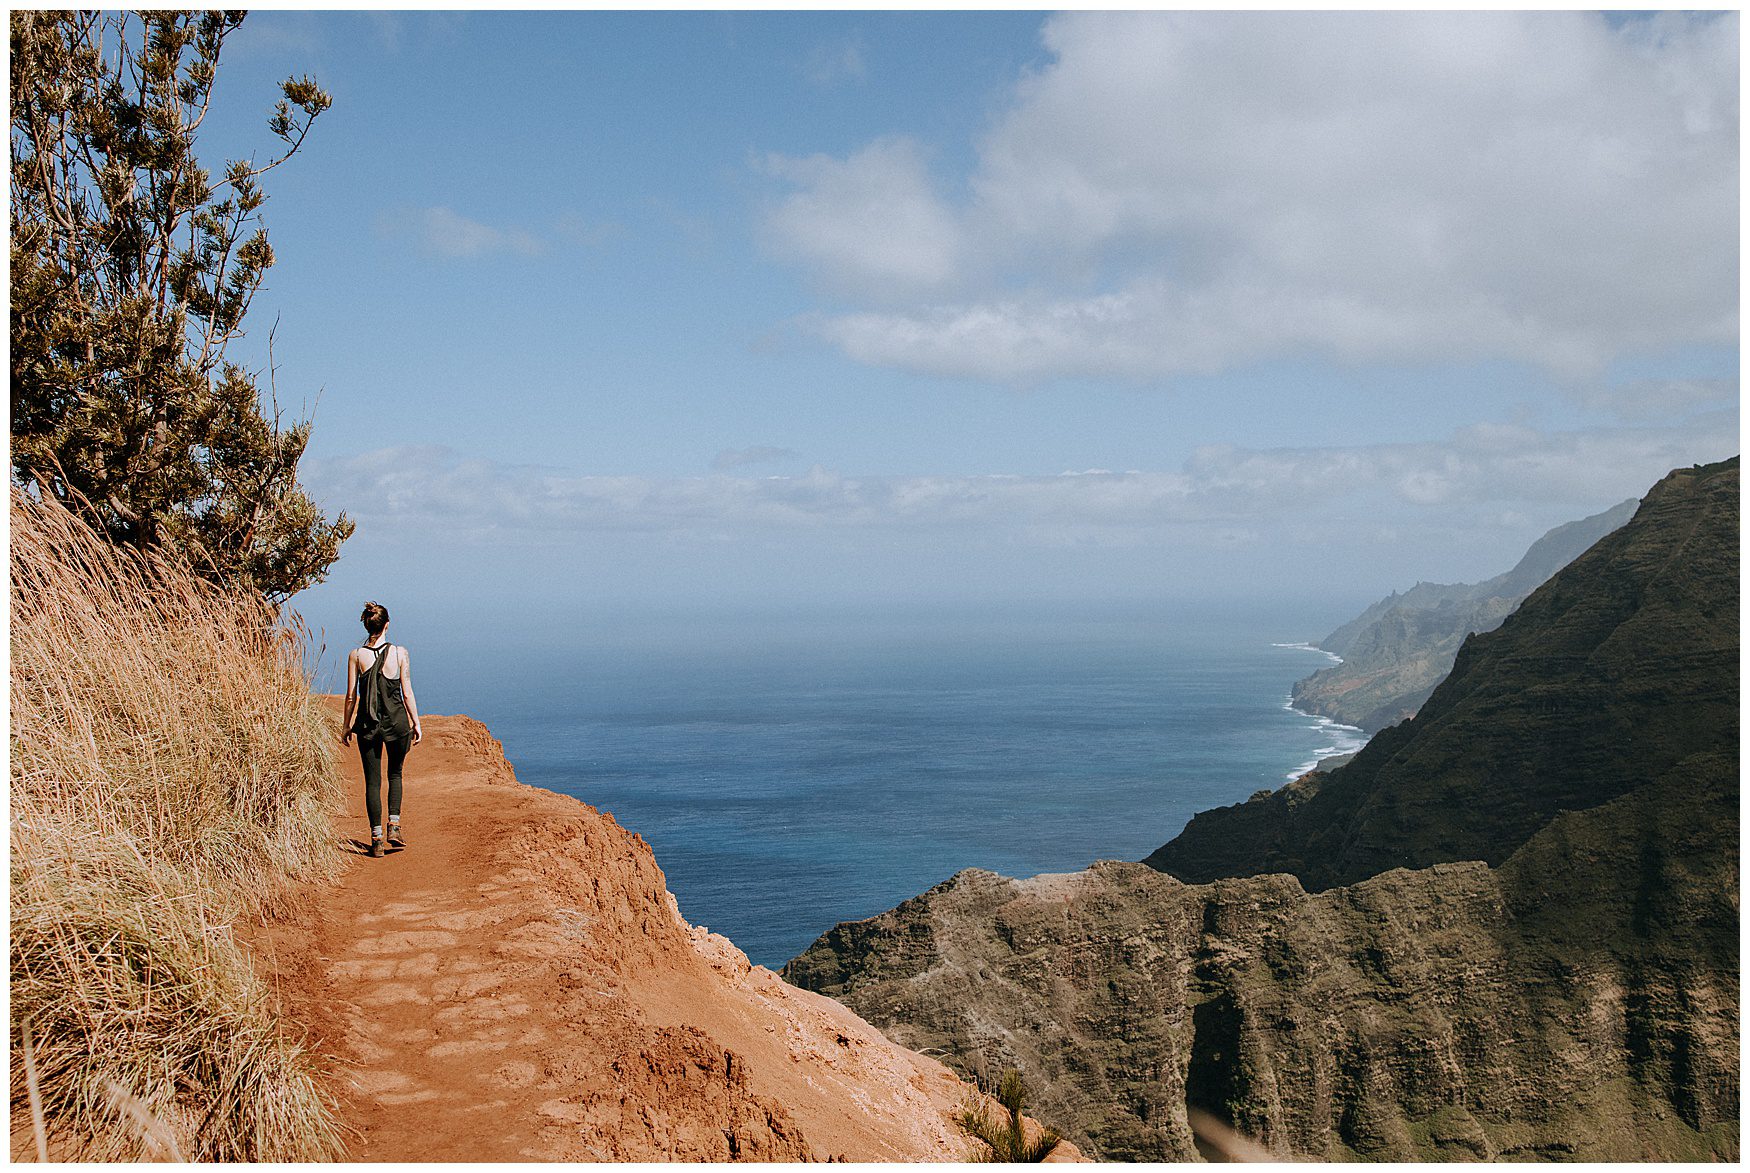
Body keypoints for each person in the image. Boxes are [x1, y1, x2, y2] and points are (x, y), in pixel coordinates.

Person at [341, 601, 422, 857]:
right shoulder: (400, 653)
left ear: (367, 625)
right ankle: (394, 826)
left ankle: (376, 839)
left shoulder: (355, 655)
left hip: (366, 724)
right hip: (397, 722)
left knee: (372, 782)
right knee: (395, 774)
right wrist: (416, 722)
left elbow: (351, 696)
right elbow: (406, 692)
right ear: (387, 625)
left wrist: (346, 726)